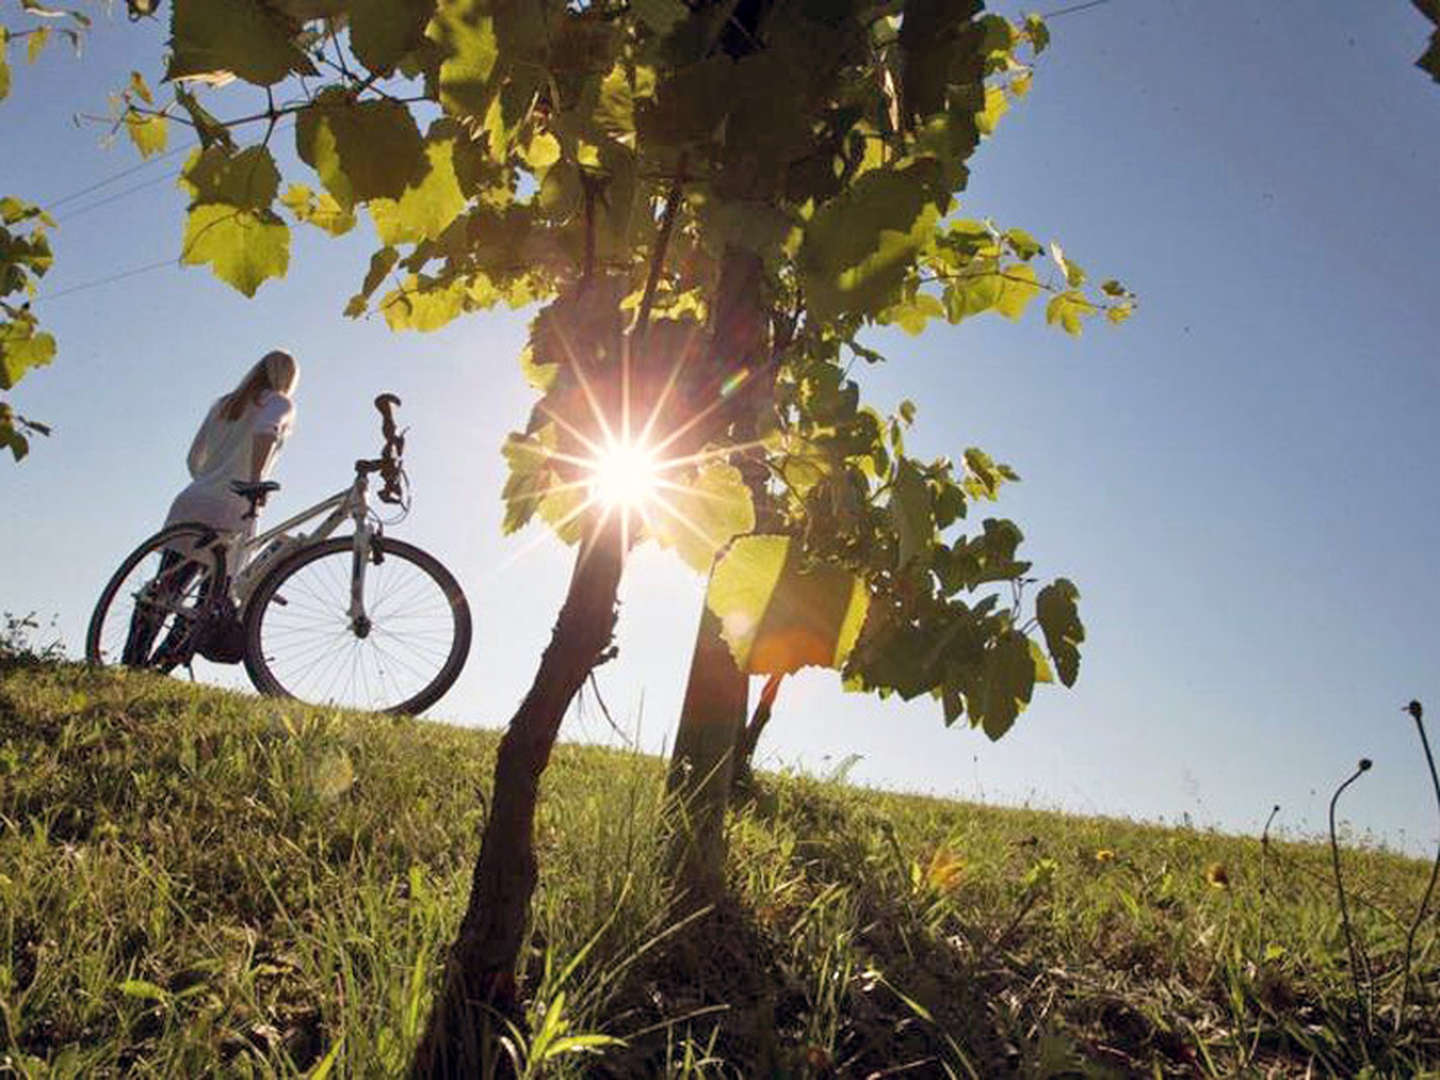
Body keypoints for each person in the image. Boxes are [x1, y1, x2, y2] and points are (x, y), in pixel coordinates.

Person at [123, 350, 300, 668]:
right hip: (234, 506)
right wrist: (255, 482)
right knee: (210, 600)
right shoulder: (280, 402)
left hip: (193, 499)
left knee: (166, 588)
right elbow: (266, 431)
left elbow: (194, 458)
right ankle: (162, 664)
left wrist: (209, 480)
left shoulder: (224, 404)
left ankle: (131, 661)